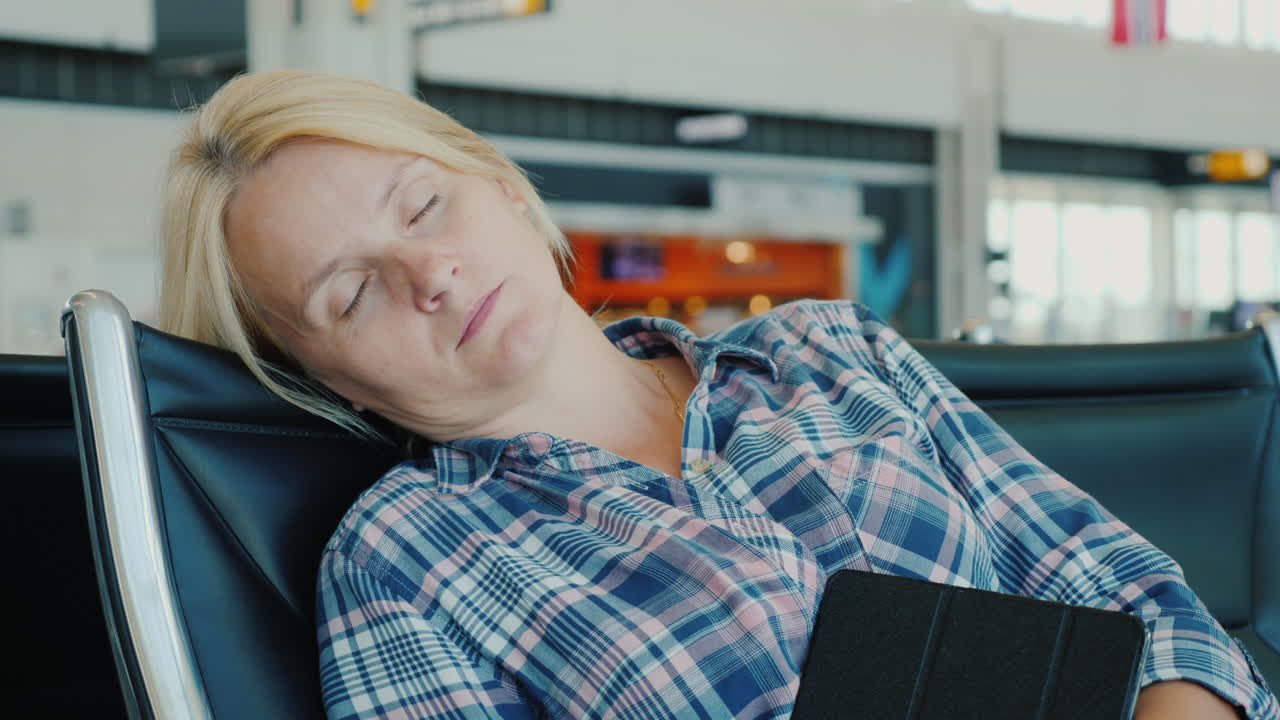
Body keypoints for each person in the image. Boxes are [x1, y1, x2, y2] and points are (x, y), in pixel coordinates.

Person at [159, 70, 1276, 720]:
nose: (430, 276)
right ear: (315, 372)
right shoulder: (404, 557)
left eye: (423, 208)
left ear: (499, 187)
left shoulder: (825, 352)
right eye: (352, 293)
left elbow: (1138, 602)